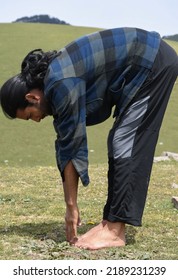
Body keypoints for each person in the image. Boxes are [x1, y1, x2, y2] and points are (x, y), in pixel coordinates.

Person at [0, 27, 178, 250]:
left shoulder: (60, 82)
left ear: (32, 97)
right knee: (119, 140)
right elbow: (66, 143)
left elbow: (72, 145)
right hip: (144, 64)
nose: (36, 121)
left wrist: (71, 206)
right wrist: (70, 204)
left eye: (29, 116)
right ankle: (110, 222)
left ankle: (115, 231)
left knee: (126, 141)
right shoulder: (56, 81)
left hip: (153, 63)